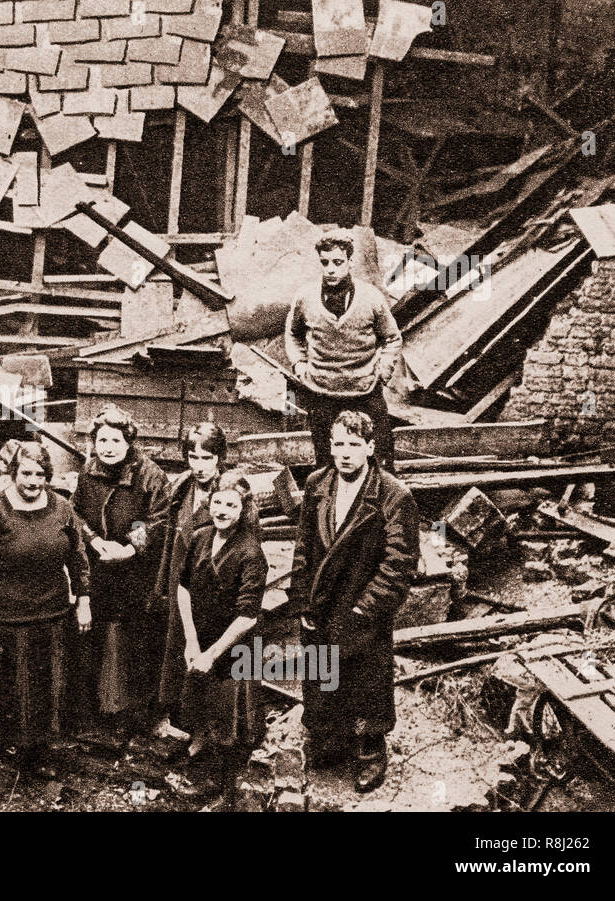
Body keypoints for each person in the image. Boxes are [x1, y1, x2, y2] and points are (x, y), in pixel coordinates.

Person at [289, 410, 420, 793]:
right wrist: (303, 600)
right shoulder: (317, 484)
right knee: (322, 675)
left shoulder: (393, 494)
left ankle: (368, 751)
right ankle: (327, 741)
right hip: (322, 604)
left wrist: (366, 608)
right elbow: (303, 547)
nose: (345, 453)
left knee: (366, 682)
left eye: (354, 444)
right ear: (330, 445)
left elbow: (399, 562)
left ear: (371, 447)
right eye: (338, 444)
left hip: (362, 607)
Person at [0, 441, 92, 777]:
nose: (33, 481)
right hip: (1, 619)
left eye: (40, 474)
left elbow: (78, 558)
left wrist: (84, 600)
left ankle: (35, 752)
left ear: (48, 475)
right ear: (14, 474)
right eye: (26, 473)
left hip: (50, 617)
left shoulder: (62, 509)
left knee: (42, 685)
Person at [166, 472, 268, 809]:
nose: (222, 510)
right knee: (199, 709)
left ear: (243, 509)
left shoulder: (251, 552)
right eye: (218, 503)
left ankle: (225, 792)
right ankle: (200, 768)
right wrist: (192, 641)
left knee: (230, 725)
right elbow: (182, 586)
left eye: (231, 504)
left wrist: (212, 653)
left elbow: (248, 615)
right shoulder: (200, 537)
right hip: (202, 641)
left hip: (233, 651)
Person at [69, 404, 172, 736]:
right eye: (102, 441)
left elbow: (156, 521)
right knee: (92, 637)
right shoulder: (89, 471)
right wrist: (95, 541)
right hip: (98, 568)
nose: (108, 448)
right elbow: (76, 513)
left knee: (132, 641)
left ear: (129, 443)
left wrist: (128, 547)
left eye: (115, 441)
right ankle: (93, 711)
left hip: (135, 575)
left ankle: (129, 716)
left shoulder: (151, 476)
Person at [285, 229, 403, 472]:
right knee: (327, 462)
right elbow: (293, 334)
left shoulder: (371, 298)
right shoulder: (305, 298)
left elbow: (392, 338)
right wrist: (299, 364)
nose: (331, 269)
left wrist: (383, 369)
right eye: (325, 262)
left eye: (337, 262)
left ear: (350, 262)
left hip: (365, 390)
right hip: (321, 392)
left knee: (381, 457)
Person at [154, 422, 229, 741]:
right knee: (176, 651)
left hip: (211, 589)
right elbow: (169, 538)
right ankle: (180, 723)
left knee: (206, 655)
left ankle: (205, 733)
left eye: (207, 458)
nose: (199, 466)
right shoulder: (182, 487)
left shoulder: (230, 492)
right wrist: (162, 586)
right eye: (193, 457)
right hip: (178, 581)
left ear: (220, 458)